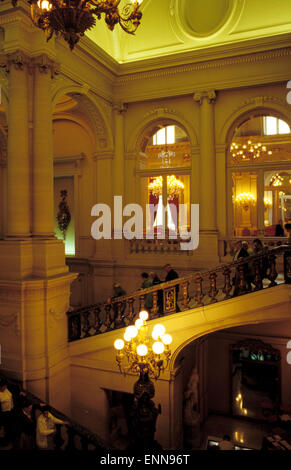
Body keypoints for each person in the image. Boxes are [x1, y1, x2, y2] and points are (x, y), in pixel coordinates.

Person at [0, 378, 15, 446]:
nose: (5, 387)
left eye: (6, 386)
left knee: (10, 427)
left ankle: (10, 440)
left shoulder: (7, 390)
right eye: (4, 386)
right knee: (5, 428)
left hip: (10, 411)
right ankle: (4, 442)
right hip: (4, 414)